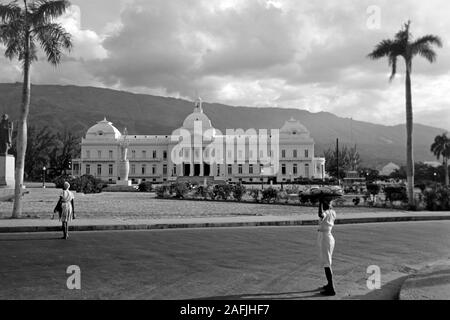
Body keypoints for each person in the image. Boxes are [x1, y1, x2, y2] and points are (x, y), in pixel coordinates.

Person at [317, 198, 336, 296]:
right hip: (328, 236)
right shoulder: (332, 212)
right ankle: (329, 284)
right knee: (327, 261)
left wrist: (319, 203)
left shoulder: (326, 213)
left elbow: (320, 215)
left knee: (326, 263)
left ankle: (331, 288)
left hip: (325, 237)